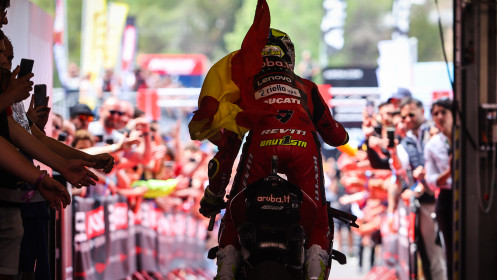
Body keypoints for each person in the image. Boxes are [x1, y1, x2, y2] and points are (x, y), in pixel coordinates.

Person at [189, 2, 349, 279]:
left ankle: (226, 269)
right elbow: (336, 136)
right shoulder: (307, 86)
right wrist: (340, 133)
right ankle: (316, 271)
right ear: (289, 56)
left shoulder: (242, 83)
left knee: (236, 209)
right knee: (317, 214)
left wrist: (213, 195)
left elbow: (227, 150)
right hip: (303, 147)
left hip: (261, 148)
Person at [399, 97, 447, 280]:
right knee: (428, 256)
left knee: (440, 254)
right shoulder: (404, 141)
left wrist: (426, 174)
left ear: (422, 112)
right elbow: (403, 174)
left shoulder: (436, 133)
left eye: (411, 114)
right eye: (404, 117)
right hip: (422, 204)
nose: (408, 119)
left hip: (440, 197)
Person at [424, 98, 454, 280]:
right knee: (450, 249)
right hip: (446, 198)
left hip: (471, 198)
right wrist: (450, 170)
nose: (440, 117)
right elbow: (432, 182)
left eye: (444, 112)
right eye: (436, 113)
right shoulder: (432, 146)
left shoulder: (468, 139)